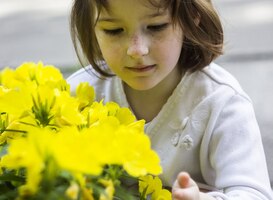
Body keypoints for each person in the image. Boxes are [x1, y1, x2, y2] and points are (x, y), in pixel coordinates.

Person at [67, 0, 273, 199]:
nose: (137, 50)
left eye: (156, 27)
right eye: (114, 30)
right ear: (91, 28)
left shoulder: (221, 102)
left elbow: (255, 193)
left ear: (192, 19)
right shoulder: (76, 97)